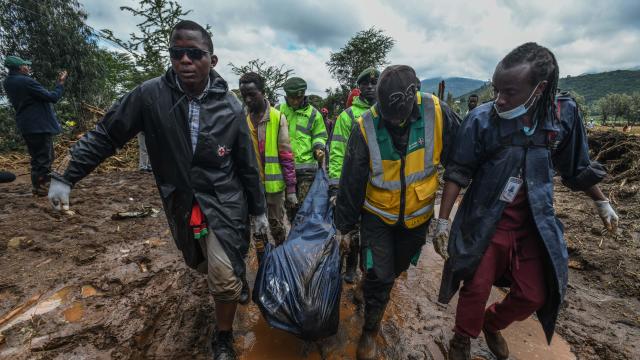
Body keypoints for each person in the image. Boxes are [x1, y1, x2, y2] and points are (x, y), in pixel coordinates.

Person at [47, 20, 267, 360]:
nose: (185, 61)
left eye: (194, 54)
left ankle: (223, 336)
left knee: (222, 277)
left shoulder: (232, 106)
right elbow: (107, 134)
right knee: (201, 264)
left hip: (226, 200)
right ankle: (231, 279)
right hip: (180, 200)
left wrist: (260, 211)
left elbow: (247, 164)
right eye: (177, 53)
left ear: (213, 59)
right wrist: (66, 176)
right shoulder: (150, 96)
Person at [432, 43, 619, 360]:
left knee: (534, 294)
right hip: (485, 222)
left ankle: (491, 323)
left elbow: (576, 167)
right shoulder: (482, 120)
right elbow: (458, 171)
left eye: (510, 91)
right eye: (496, 89)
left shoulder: (562, 117)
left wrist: (601, 202)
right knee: (475, 287)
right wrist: (443, 220)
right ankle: (461, 340)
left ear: (539, 88)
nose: (500, 99)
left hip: (533, 224)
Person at [334, 65, 460, 360]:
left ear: (413, 96)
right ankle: (370, 331)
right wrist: (346, 228)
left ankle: (371, 285)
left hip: (418, 216)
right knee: (381, 273)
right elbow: (351, 182)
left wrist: (445, 220)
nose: (391, 124)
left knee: (397, 269)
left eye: (397, 119)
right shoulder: (365, 126)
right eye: (386, 118)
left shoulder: (437, 112)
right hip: (377, 216)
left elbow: (460, 160)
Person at [329, 67, 380, 284]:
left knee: (370, 231)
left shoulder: (387, 113)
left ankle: (363, 269)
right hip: (351, 184)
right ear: (358, 89)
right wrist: (335, 186)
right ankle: (345, 266)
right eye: (365, 84)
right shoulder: (347, 116)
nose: (369, 87)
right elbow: (337, 152)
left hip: (377, 185)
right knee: (347, 227)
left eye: (374, 83)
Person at [239, 72, 297, 262]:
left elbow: (286, 155)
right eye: (243, 95)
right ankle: (264, 261)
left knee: (276, 225)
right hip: (252, 186)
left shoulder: (277, 117)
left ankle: (280, 259)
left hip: (274, 187)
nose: (248, 99)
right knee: (258, 227)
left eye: (252, 94)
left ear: (262, 92)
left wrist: (290, 189)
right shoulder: (242, 118)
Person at [3, 56, 67, 196]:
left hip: (27, 125)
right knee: (45, 157)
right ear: (21, 68)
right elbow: (52, 97)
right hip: (39, 125)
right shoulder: (26, 81)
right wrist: (60, 83)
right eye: (26, 65)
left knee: (37, 157)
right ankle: (41, 186)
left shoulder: (8, 82)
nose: (28, 67)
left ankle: (38, 185)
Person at [277, 77, 327, 223]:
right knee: (291, 209)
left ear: (303, 95)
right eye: (291, 98)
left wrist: (318, 148)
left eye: (298, 98)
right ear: (286, 96)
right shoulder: (279, 111)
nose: (294, 102)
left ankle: (304, 239)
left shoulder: (314, 114)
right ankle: (294, 238)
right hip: (285, 169)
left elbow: (320, 135)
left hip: (306, 170)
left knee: (305, 208)